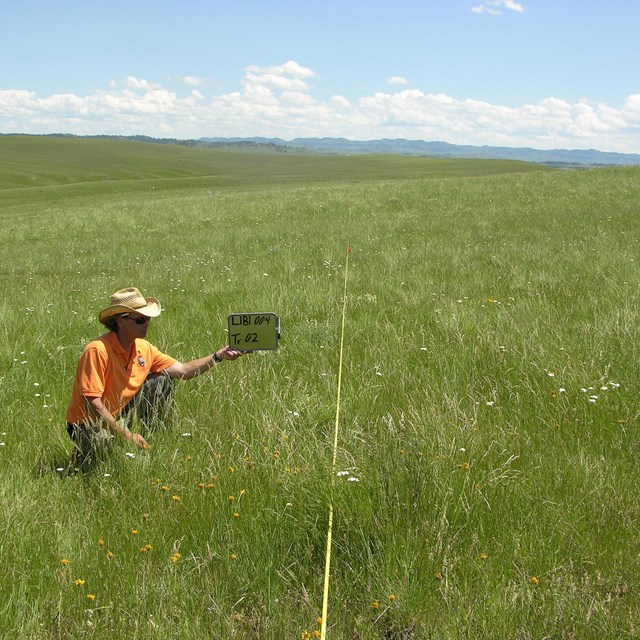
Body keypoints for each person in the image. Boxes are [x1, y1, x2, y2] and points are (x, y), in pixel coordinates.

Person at [66, 287, 246, 467]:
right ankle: (86, 452)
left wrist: (218, 356)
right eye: (140, 320)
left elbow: (182, 371)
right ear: (120, 322)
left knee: (161, 380)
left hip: (119, 414)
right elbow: (93, 403)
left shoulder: (143, 348)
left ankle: (155, 437)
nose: (147, 324)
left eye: (148, 319)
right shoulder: (97, 350)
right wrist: (127, 436)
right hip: (88, 424)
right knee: (127, 464)